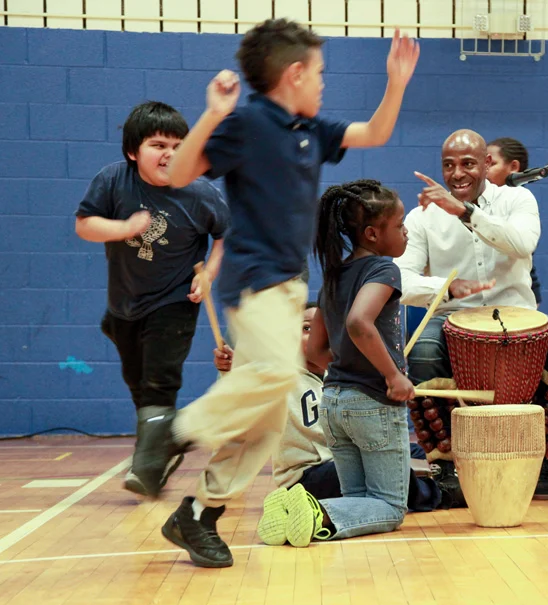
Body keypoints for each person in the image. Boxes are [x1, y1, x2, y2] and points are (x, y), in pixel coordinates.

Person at [137, 19, 420, 568]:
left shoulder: (311, 129)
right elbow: (181, 174)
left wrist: (397, 82)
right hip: (254, 280)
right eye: (318, 73)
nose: (322, 83)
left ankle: (199, 513)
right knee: (272, 375)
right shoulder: (246, 123)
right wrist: (214, 113)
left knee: (265, 424)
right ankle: (170, 432)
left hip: (290, 288)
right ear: (293, 73)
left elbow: (375, 133)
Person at [396, 129, 548, 500]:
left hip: (519, 315)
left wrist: (466, 213)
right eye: (448, 165)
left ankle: (542, 460)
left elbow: (522, 242)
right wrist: (447, 288)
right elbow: (399, 279)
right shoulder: (423, 217)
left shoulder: (518, 198)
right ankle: (446, 465)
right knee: (421, 350)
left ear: (487, 164)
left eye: (468, 163)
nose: (457, 174)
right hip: (453, 316)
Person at [74, 101, 229, 497]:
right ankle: (165, 450)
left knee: (160, 382)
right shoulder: (112, 180)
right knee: (139, 386)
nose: (170, 154)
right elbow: (85, 225)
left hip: (175, 301)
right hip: (125, 304)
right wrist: (123, 226)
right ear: (132, 151)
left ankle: (147, 469)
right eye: (158, 145)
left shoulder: (199, 193)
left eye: (179, 145)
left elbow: (227, 235)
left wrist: (209, 274)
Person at [211, 301, 445, 547]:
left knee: (411, 450)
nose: (316, 336)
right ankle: (437, 493)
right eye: (306, 328)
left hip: (346, 465)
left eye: (324, 329)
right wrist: (230, 369)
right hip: (308, 476)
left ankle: (288, 513)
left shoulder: (343, 379)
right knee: (392, 474)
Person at [297, 179, 414, 544]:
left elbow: (315, 350)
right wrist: (393, 376)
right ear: (372, 234)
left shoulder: (334, 276)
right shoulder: (383, 269)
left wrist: (345, 368)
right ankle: (317, 510)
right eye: (399, 225)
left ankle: (302, 511)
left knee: (359, 502)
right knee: (391, 507)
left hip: (333, 403)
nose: (406, 232)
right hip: (373, 405)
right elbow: (358, 322)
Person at [486, 137, 542, 306]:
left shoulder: (522, 202)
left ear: (514, 167)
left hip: (516, 301)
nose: (484, 170)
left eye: (492, 164)